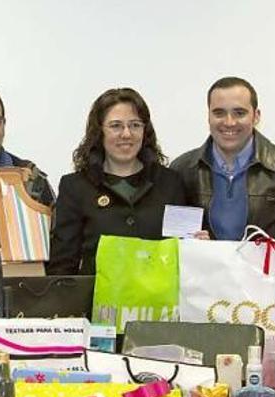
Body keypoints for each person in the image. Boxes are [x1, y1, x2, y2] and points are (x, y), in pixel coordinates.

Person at [47, 87, 186, 275]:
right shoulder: (75, 187)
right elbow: (62, 264)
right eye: (116, 126)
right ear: (99, 132)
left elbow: (183, 253)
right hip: (94, 302)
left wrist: (197, 244)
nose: (127, 134)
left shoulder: (171, 183)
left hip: (158, 301)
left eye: (135, 125)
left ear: (145, 131)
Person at [170, 76, 275, 241]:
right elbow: (172, 243)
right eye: (219, 113)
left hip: (272, 268)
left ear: (256, 116)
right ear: (208, 116)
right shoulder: (181, 170)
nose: (229, 122)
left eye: (239, 113)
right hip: (202, 268)